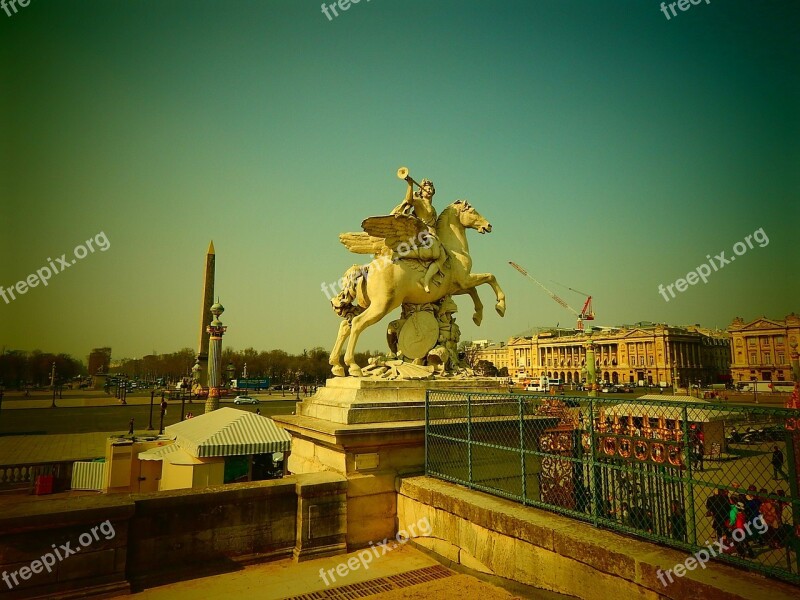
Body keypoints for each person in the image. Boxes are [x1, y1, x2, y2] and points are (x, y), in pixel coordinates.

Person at [391, 177, 447, 293]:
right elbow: (409, 199)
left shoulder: (433, 208)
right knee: (435, 253)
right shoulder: (419, 202)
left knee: (443, 256)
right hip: (424, 235)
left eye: (431, 188)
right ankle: (401, 254)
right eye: (427, 189)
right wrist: (410, 185)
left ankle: (425, 280)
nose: (429, 190)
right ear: (421, 191)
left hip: (433, 235)